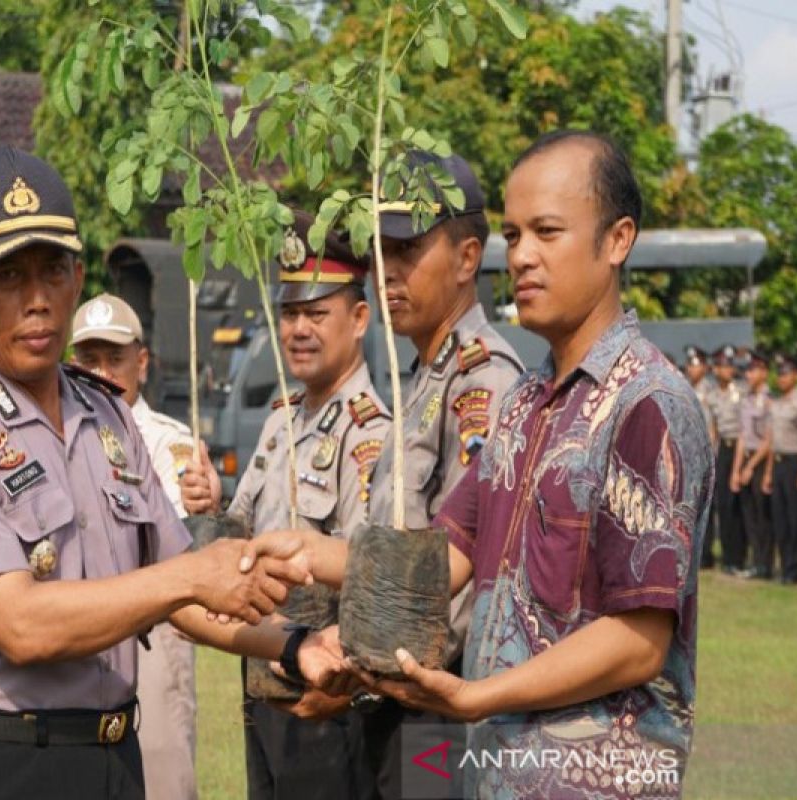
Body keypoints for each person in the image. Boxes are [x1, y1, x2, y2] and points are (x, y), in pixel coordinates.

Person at [250, 131, 714, 797]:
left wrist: (477, 695)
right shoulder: (527, 405)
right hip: (498, 771)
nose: (522, 256)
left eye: (547, 232)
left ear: (617, 241)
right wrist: (305, 551)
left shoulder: (646, 404)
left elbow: (638, 639)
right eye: (515, 234)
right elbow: (444, 558)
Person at [0, 145, 324, 800]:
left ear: (78, 277)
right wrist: (191, 576)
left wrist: (295, 646)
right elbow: (23, 626)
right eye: (8, 276)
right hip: (7, 765)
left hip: (117, 759)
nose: (36, 301)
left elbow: (188, 601)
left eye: (53, 271)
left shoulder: (107, 415)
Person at [181, 211, 388, 800]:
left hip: (326, 702)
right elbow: (241, 531)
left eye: (316, 313)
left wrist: (337, 682)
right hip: (264, 688)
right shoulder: (281, 423)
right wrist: (211, 505)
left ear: (359, 318)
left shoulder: (369, 435)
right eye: (291, 312)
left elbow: (371, 578)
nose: (299, 329)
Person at [355, 150, 523, 800]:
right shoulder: (426, 373)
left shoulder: (481, 379)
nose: (387, 273)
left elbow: (469, 556)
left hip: (436, 697)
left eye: (408, 250)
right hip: (395, 690)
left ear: (466, 258)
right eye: (380, 253)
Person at [70, 293, 199, 800]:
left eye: (114, 358)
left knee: (163, 770)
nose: (101, 371)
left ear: (141, 363)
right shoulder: (60, 435)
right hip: (81, 629)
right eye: (88, 358)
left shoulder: (168, 442)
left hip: (156, 631)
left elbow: (174, 548)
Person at [763, 354, 797, 585]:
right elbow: (773, 441)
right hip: (779, 463)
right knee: (780, 519)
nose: (782, 378)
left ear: (796, 376)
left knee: (796, 519)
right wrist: (768, 472)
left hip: (795, 463)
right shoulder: (778, 402)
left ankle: (796, 570)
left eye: (786, 374)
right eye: (779, 374)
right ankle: (784, 567)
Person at [733, 349, 773, 579]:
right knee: (749, 514)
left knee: (762, 516)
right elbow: (742, 437)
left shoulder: (769, 400)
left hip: (761, 460)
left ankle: (765, 565)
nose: (748, 374)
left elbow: (769, 439)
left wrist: (750, 467)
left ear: (764, 373)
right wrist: (738, 469)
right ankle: (755, 562)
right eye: (748, 370)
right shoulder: (746, 400)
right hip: (747, 459)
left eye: (753, 370)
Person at [707, 344, 746, 574]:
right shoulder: (713, 395)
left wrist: (737, 469)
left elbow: (743, 431)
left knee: (736, 507)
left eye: (730, 365)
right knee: (723, 505)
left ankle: (737, 557)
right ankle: (728, 556)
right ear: (716, 369)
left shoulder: (740, 392)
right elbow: (714, 429)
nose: (728, 369)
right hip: (722, 450)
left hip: (738, 449)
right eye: (724, 365)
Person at [683, 345, 717, 569]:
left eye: (695, 365)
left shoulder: (711, 392)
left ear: (704, 367)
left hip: (705, 456)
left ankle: (706, 554)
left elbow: (714, 428)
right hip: (686, 455)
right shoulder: (682, 386)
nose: (691, 369)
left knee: (707, 507)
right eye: (689, 364)